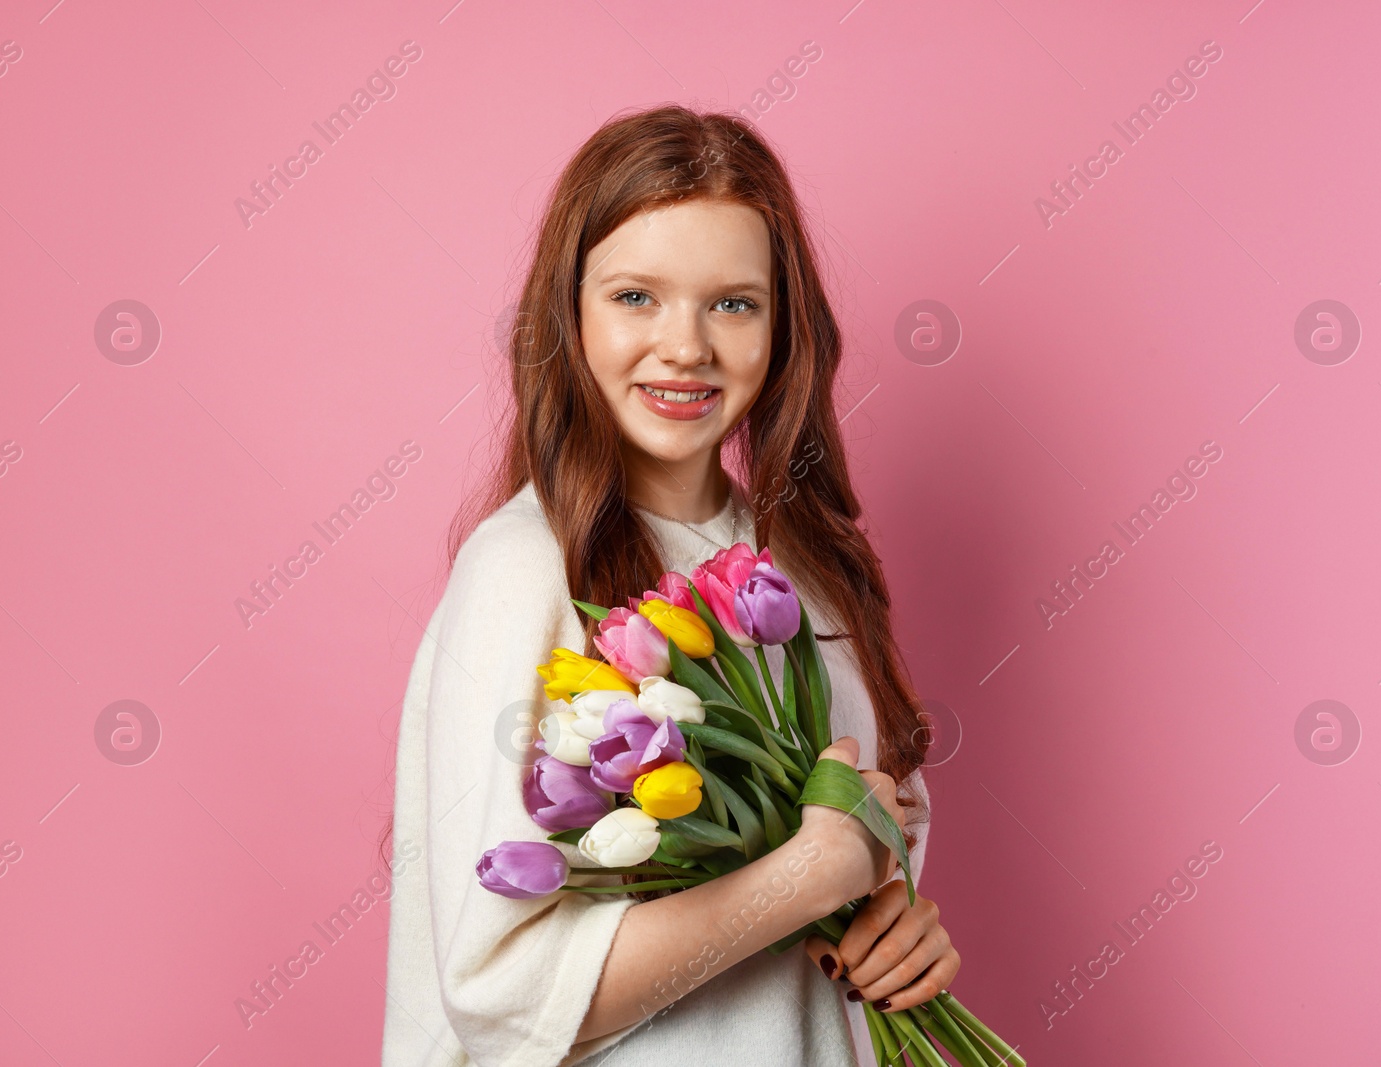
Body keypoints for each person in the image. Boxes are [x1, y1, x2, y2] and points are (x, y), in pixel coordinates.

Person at [381, 105, 958, 1066]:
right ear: (568, 315)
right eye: (636, 297)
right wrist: (804, 876)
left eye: (733, 303)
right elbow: (499, 991)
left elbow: (863, 854)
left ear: (783, 326)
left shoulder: (809, 568)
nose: (685, 346)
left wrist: (896, 929)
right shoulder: (528, 568)